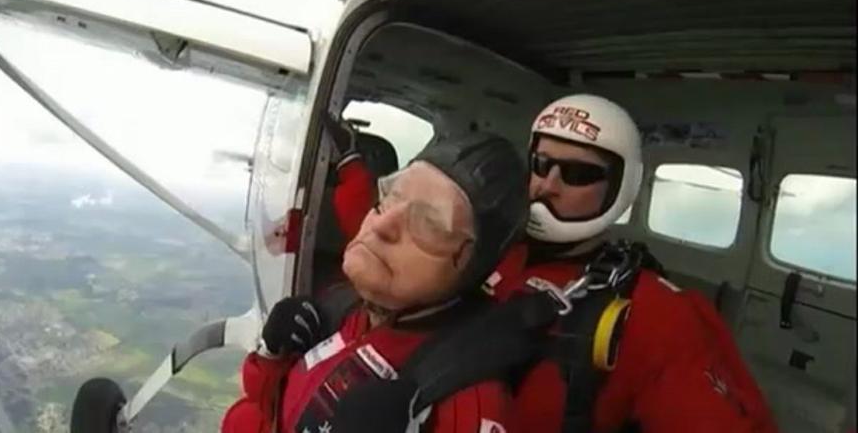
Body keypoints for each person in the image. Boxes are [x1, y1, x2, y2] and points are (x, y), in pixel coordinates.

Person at [324, 94, 779, 433]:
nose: (548, 184)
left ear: (620, 189)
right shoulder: (488, 242)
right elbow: (393, 229)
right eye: (541, 163)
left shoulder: (656, 314)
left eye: (578, 174)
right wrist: (350, 164)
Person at [221, 132, 529, 433]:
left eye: (428, 224)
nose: (381, 225)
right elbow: (272, 412)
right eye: (388, 199)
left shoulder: (464, 403)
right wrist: (272, 358)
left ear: (471, 265)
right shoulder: (348, 310)